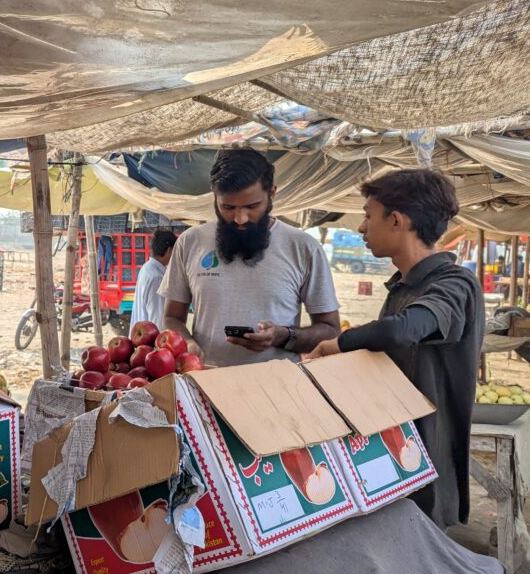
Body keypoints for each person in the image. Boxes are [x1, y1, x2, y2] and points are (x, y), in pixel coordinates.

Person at [310, 169, 482, 529]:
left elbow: (405, 331)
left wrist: (340, 343)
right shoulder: (402, 288)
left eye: (368, 216)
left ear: (396, 220)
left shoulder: (455, 284)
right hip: (394, 454)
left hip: (427, 460)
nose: (361, 228)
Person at [159, 149, 340, 365]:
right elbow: (172, 317)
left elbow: (330, 330)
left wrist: (283, 336)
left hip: (276, 387)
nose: (240, 218)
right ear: (214, 196)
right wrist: (186, 342)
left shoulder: (303, 248)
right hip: (205, 384)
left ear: (272, 193)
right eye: (228, 207)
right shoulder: (190, 242)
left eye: (252, 206)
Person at [129, 229, 176, 331]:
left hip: (141, 334)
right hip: (150, 340)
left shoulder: (147, 267)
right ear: (169, 250)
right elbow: (157, 320)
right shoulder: (157, 278)